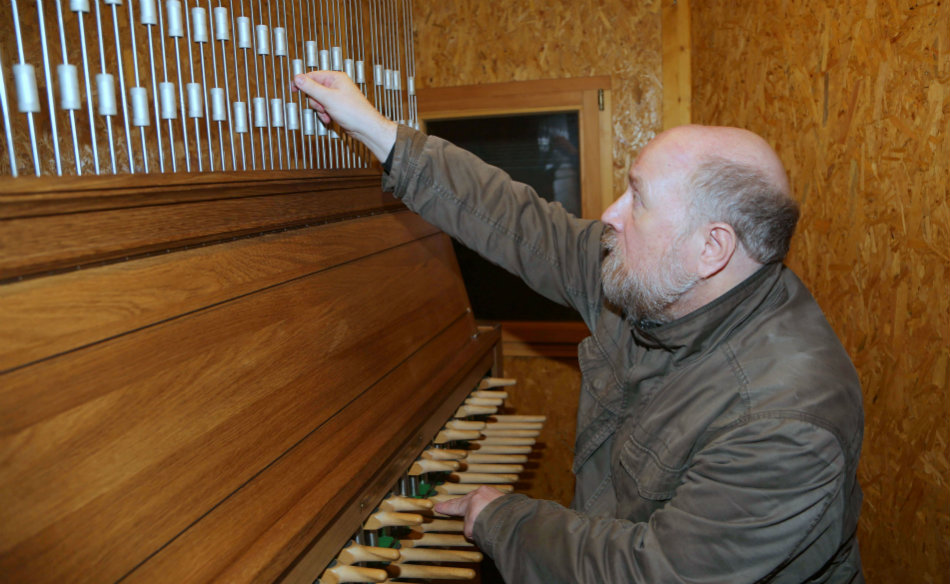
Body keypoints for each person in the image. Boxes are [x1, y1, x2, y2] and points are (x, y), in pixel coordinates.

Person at [293, 71, 865, 583]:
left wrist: (503, 519)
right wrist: (380, 134)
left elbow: (652, 573)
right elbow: (525, 226)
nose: (610, 216)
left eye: (636, 200)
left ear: (711, 247)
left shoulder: (788, 418)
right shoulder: (661, 279)